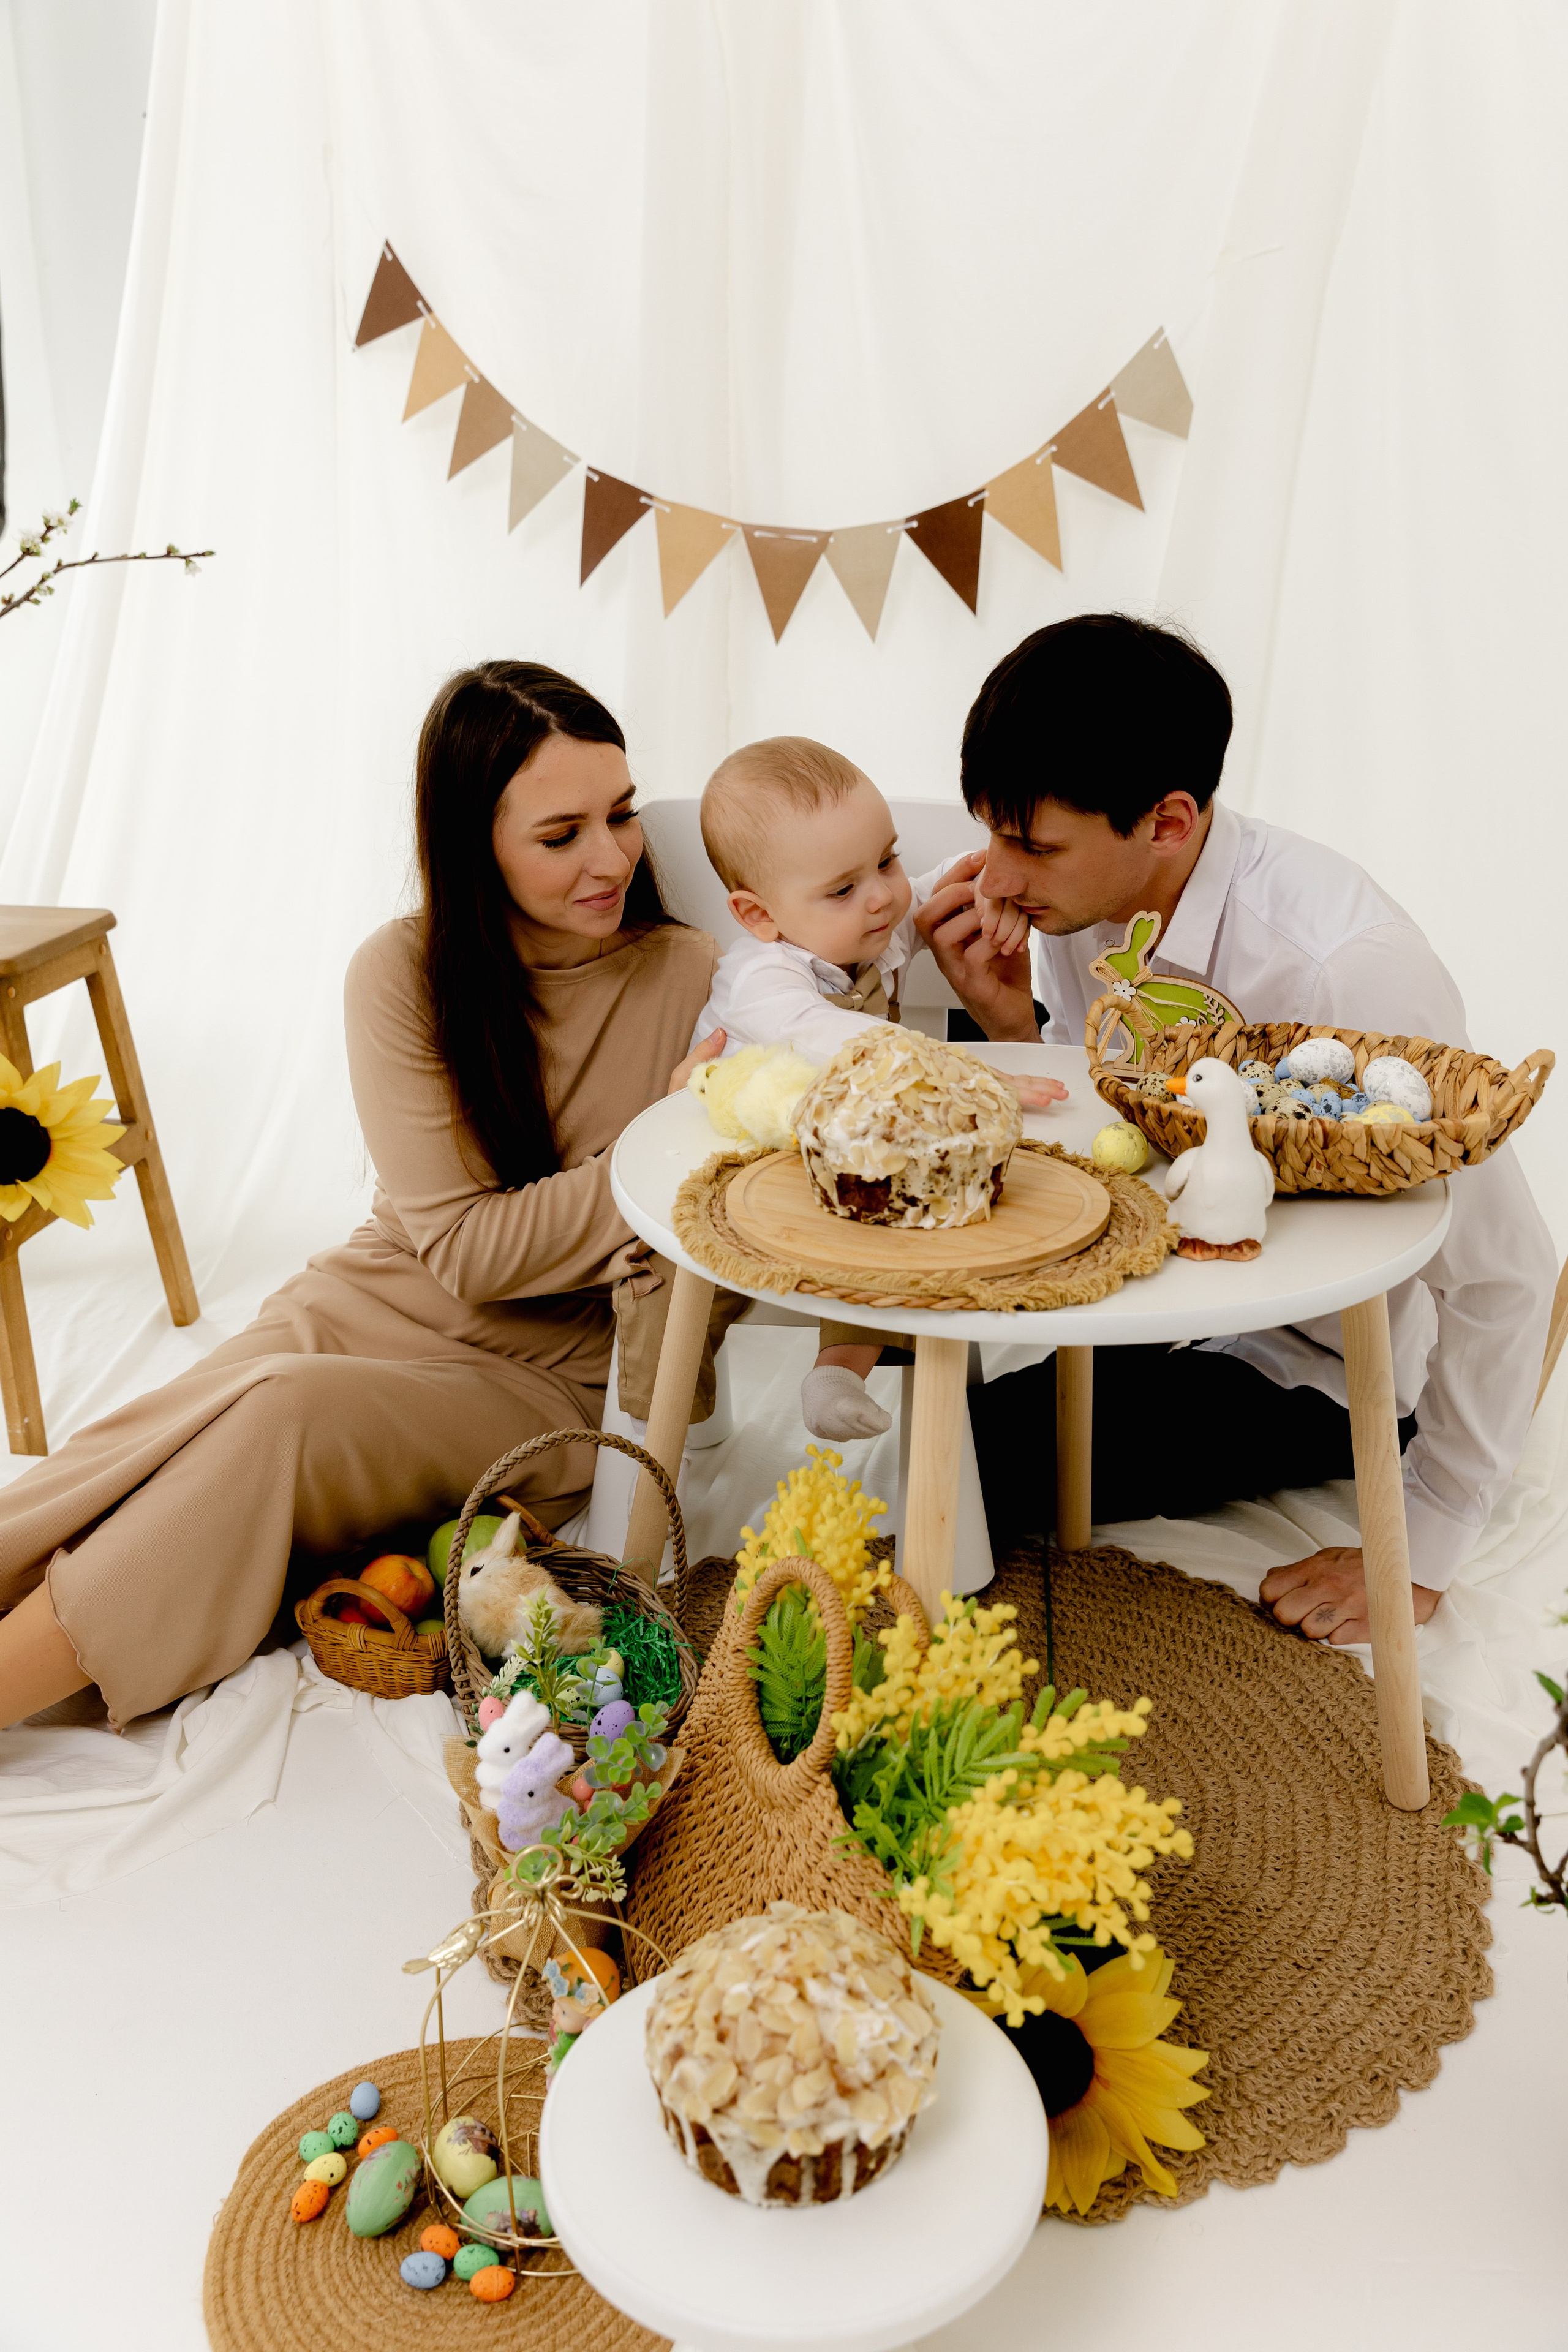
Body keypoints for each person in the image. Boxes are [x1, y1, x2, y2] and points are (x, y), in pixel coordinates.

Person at [0, 661, 723, 1730]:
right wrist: (653, 1152)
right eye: (561, 834)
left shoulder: (697, 977)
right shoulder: (401, 973)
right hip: (363, 1305)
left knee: (276, 1415)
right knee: (154, 1437)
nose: (612, 857)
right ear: (473, 840)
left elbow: (508, 1262)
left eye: (621, 815)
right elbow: (468, 1250)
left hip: (540, 1379)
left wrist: (686, 1138)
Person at [915, 614, 1555, 1646]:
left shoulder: (1345, 967)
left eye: (1028, 845)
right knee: (924, 1440)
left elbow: (1508, 1273)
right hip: (1176, 1279)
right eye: (990, 832)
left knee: (961, 1481)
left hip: (1311, 1356)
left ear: (1167, 821)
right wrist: (1007, 1027)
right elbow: (1118, 1109)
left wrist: (1420, 1546)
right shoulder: (1091, 911)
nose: (991, 877)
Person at [694, 735, 1066, 1441]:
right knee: (689, 1274)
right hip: (740, 1159)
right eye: (843, 887)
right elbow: (837, 1039)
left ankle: (837, 1371)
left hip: (836, 1156)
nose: (882, 897)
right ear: (758, 916)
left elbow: (925, 897)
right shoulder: (763, 981)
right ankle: (684, 1410)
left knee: (894, 1227)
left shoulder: (867, 924)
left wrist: (982, 877)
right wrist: (971, 1078)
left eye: (886, 861)